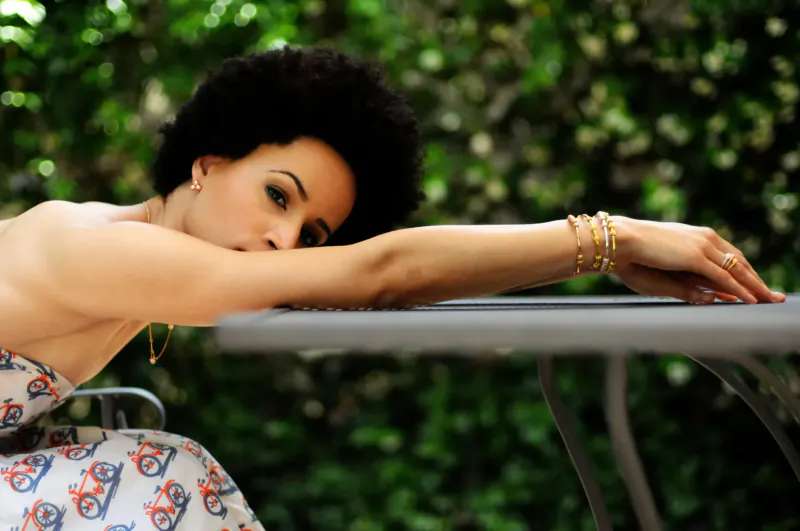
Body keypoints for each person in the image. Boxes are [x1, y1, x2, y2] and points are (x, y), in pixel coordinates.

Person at [0, 45, 785, 530]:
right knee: (164, 475)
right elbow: (377, 274)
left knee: (165, 467)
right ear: (206, 164)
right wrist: (611, 238)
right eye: (277, 194)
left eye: (312, 234)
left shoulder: (140, 250)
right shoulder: (93, 247)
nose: (286, 241)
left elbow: (369, 276)